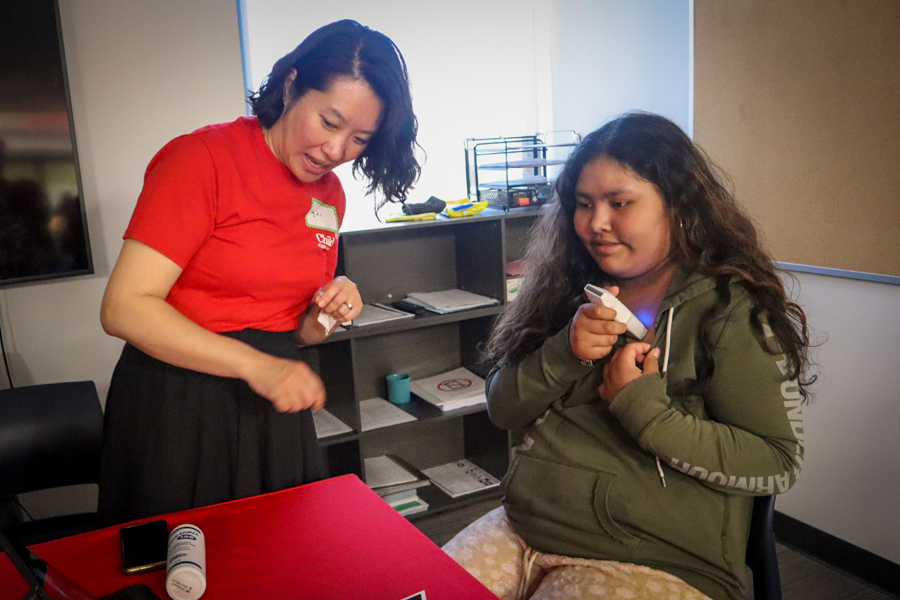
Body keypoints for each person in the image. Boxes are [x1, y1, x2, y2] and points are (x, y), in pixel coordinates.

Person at [443, 112, 812, 600]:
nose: (596, 224)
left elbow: (776, 462)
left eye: (620, 203)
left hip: (648, 559)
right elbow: (502, 407)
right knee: (420, 586)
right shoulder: (570, 288)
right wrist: (564, 352)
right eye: (583, 204)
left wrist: (644, 408)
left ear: (679, 206)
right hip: (522, 530)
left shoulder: (727, 311)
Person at [97, 19, 420, 525]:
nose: (336, 151)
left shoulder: (329, 196)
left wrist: (329, 312)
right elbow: (123, 308)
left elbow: (293, 330)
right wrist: (255, 366)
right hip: (179, 399)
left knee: (278, 555)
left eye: (360, 138)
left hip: (270, 404)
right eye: (329, 123)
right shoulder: (202, 159)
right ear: (291, 85)